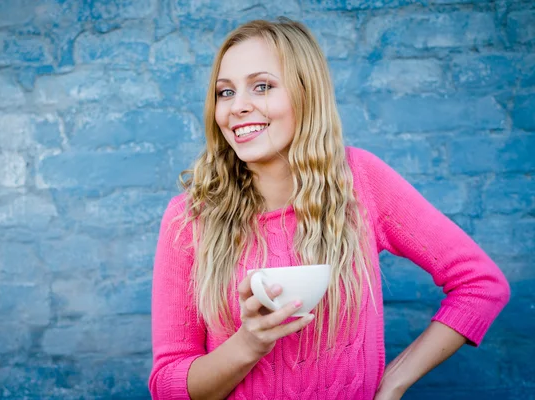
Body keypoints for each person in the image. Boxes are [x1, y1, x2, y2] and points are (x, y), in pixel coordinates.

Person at [148, 18, 510, 400]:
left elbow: (481, 285)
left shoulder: (360, 181)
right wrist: (248, 344)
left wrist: (393, 383)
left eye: (262, 86)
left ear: (307, 94)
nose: (237, 107)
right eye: (225, 92)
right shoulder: (189, 218)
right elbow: (167, 386)